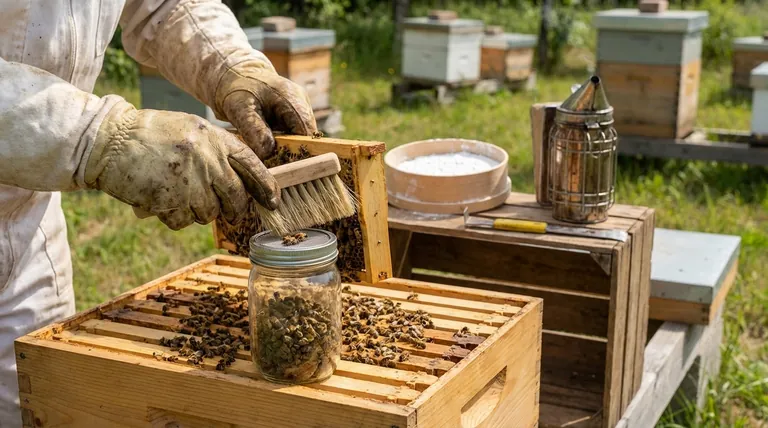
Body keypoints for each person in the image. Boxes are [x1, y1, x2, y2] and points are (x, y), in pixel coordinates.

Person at [0, 1, 317, 425]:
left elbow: (161, 5)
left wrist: (230, 65)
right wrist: (102, 138)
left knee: (43, 407)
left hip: (27, 231)